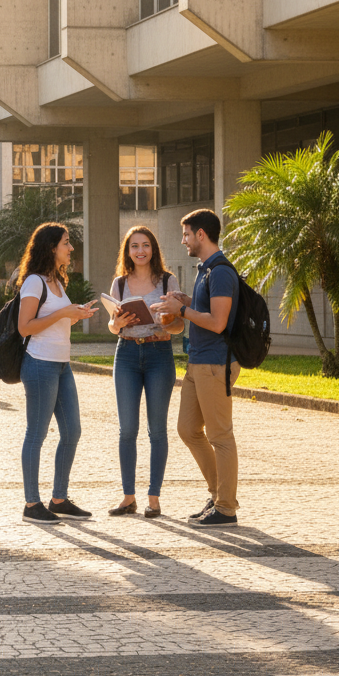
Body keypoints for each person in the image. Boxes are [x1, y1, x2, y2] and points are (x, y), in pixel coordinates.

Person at [155, 209, 241, 527]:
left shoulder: (219, 271)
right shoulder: (204, 269)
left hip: (215, 364)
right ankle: (218, 494)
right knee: (187, 429)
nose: (184, 240)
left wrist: (183, 309)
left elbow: (218, 322)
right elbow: (206, 309)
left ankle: (226, 508)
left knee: (220, 436)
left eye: (187, 234)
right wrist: (186, 300)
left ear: (201, 235)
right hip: (198, 361)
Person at [17, 223, 99, 524]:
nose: (71, 248)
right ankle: (31, 503)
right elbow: (25, 327)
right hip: (39, 364)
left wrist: (76, 315)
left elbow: (54, 322)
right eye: (66, 243)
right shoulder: (34, 283)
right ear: (52, 247)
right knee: (36, 435)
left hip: (62, 365)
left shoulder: (57, 282)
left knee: (72, 431)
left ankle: (59, 499)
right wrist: (64, 313)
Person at [106, 226, 184, 519]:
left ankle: (154, 499)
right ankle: (128, 498)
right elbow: (113, 327)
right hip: (125, 354)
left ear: (154, 250)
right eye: (135, 246)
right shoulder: (119, 284)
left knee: (157, 430)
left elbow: (179, 326)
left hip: (158, 354)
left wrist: (168, 323)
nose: (140, 251)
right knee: (127, 430)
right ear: (127, 251)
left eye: (146, 245)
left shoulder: (167, 281)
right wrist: (118, 323)